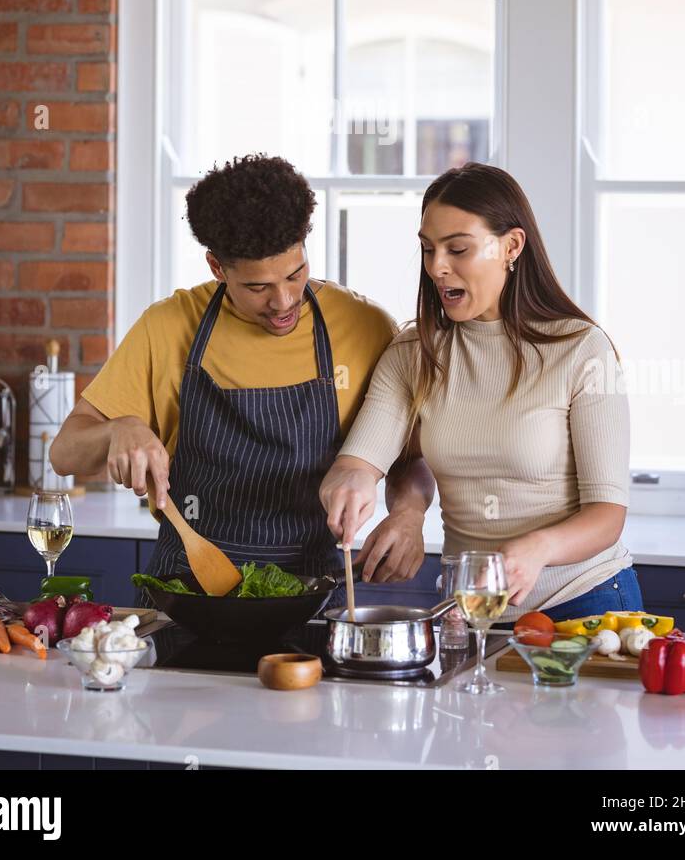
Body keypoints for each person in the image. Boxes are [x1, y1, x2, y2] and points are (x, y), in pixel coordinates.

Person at [51, 154, 434, 602]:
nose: (284, 301)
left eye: (295, 273)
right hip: (185, 594)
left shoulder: (364, 327)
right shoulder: (168, 326)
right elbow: (64, 454)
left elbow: (409, 458)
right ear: (217, 268)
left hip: (309, 597)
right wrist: (119, 429)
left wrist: (409, 514)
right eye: (258, 287)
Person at [319, 162, 642, 623]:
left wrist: (538, 547)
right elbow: (363, 462)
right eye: (428, 249)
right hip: (470, 611)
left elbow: (607, 517)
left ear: (511, 246)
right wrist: (357, 487)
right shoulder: (414, 352)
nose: (436, 267)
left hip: (582, 604)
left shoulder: (581, 350)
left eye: (458, 249)